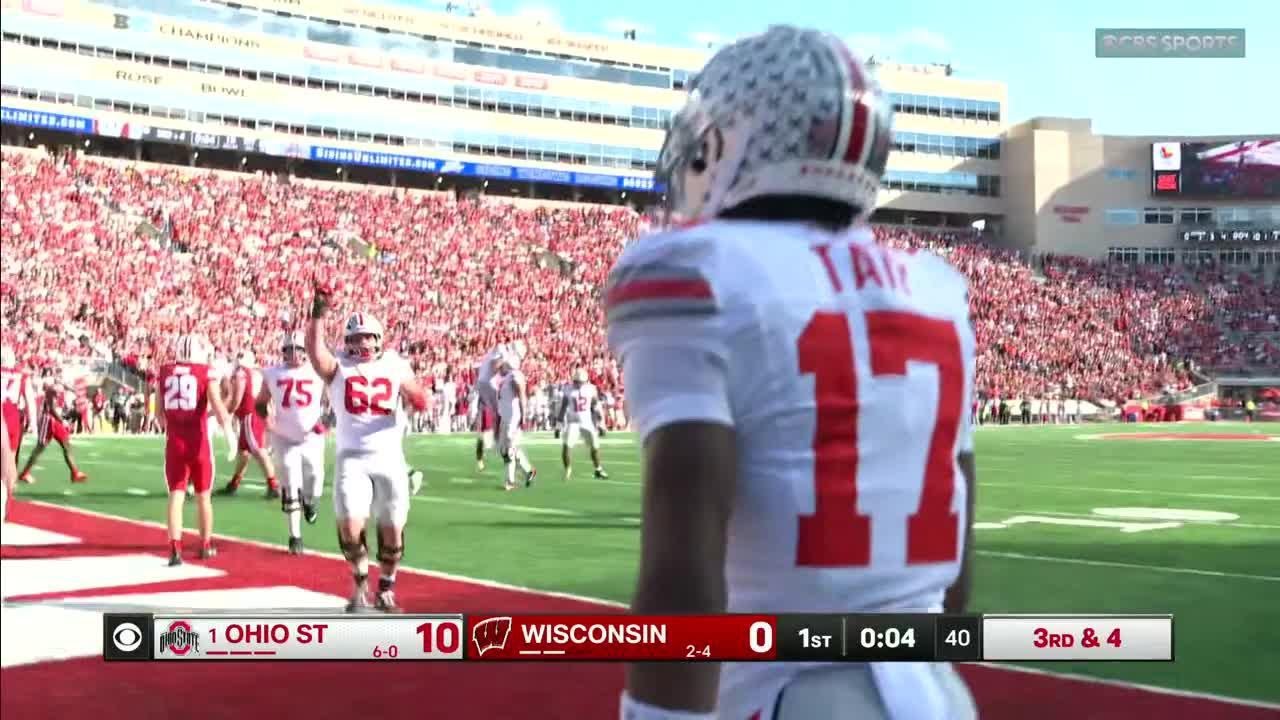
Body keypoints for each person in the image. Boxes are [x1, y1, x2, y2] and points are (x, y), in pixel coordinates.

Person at [606, 26, 978, 720]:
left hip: (790, 698)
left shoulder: (693, 269)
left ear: (729, 142)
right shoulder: (937, 290)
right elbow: (957, 552)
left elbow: (684, 557)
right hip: (933, 694)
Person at [306, 297, 428, 613]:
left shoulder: (395, 364)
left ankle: (386, 588)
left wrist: (417, 397)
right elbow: (315, 353)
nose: (361, 342)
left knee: (392, 530)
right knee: (349, 527)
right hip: (352, 458)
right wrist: (317, 315)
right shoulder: (339, 366)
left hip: (389, 459)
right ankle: (359, 581)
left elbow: (418, 394)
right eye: (355, 337)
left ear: (378, 338)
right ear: (346, 341)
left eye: (366, 336)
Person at [157, 334, 236, 566]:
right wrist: (230, 435)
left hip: (174, 442)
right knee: (203, 496)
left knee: (176, 495)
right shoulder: (204, 372)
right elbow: (219, 408)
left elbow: (159, 415)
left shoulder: (164, 373)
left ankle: (174, 549)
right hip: (198, 442)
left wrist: (172, 424)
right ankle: (205, 545)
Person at [258, 332, 328, 555]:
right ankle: (294, 536)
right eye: (289, 349)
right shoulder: (272, 373)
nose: (294, 353)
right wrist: (267, 419)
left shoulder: (317, 371)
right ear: (283, 351)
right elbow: (260, 402)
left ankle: (310, 501)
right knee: (290, 482)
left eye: (298, 349)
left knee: (315, 476)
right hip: (284, 436)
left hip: (311, 437)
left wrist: (325, 421)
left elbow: (334, 400)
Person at [221, 351, 279, 498]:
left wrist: (230, 411)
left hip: (249, 414)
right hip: (255, 413)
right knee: (244, 453)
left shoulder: (242, 373)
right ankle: (234, 483)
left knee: (258, 450)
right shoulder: (256, 373)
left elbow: (238, 397)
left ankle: (273, 485)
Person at [18, 372, 89, 485]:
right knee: (40, 448)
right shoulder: (52, 390)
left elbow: (63, 406)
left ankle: (75, 472)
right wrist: (63, 421)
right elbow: (51, 408)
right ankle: (25, 473)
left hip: (56, 420)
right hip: (49, 420)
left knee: (66, 445)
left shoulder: (62, 391)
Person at [555, 368, 608, 481]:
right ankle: (567, 469)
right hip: (573, 422)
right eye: (577, 381)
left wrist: (601, 423)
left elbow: (596, 407)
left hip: (587, 422)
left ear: (585, 381)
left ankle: (598, 469)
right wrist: (558, 426)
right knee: (567, 446)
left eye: (581, 382)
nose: (578, 384)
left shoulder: (590, 389)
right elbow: (563, 408)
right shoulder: (568, 389)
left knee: (595, 447)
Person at [495, 349, 536, 491]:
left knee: (510, 450)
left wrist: (523, 416)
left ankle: (510, 481)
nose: (502, 367)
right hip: (505, 416)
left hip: (513, 417)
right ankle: (528, 471)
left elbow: (521, 395)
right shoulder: (506, 377)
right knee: (504, 450)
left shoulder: (515, 375)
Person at [0, 345, 37, 498]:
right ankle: (8, 497)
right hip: (12, 418)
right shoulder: (22, 375)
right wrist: (33, 422)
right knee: (11, 459)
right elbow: (30, 401)